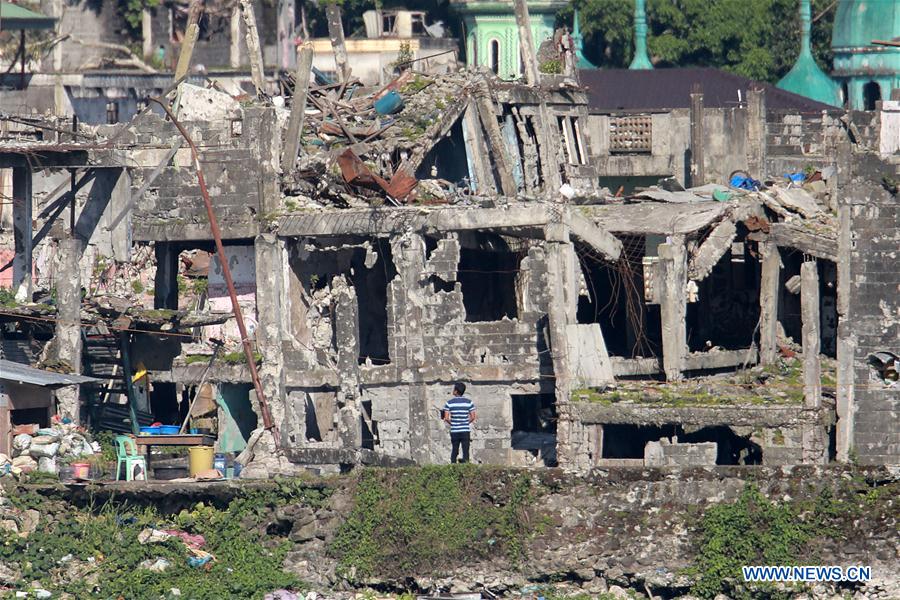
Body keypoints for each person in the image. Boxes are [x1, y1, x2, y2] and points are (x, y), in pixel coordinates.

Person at [442, 382, 476, 463]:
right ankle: (466, 467)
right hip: (465, 430)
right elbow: (473, 417)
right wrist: (465, 423)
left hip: (454, 430)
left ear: (456, 391)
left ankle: (453, 465)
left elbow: (446, 418)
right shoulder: (469, 402)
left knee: (454, 450)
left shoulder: (449, 403)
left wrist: (453, 423)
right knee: (466, 451)